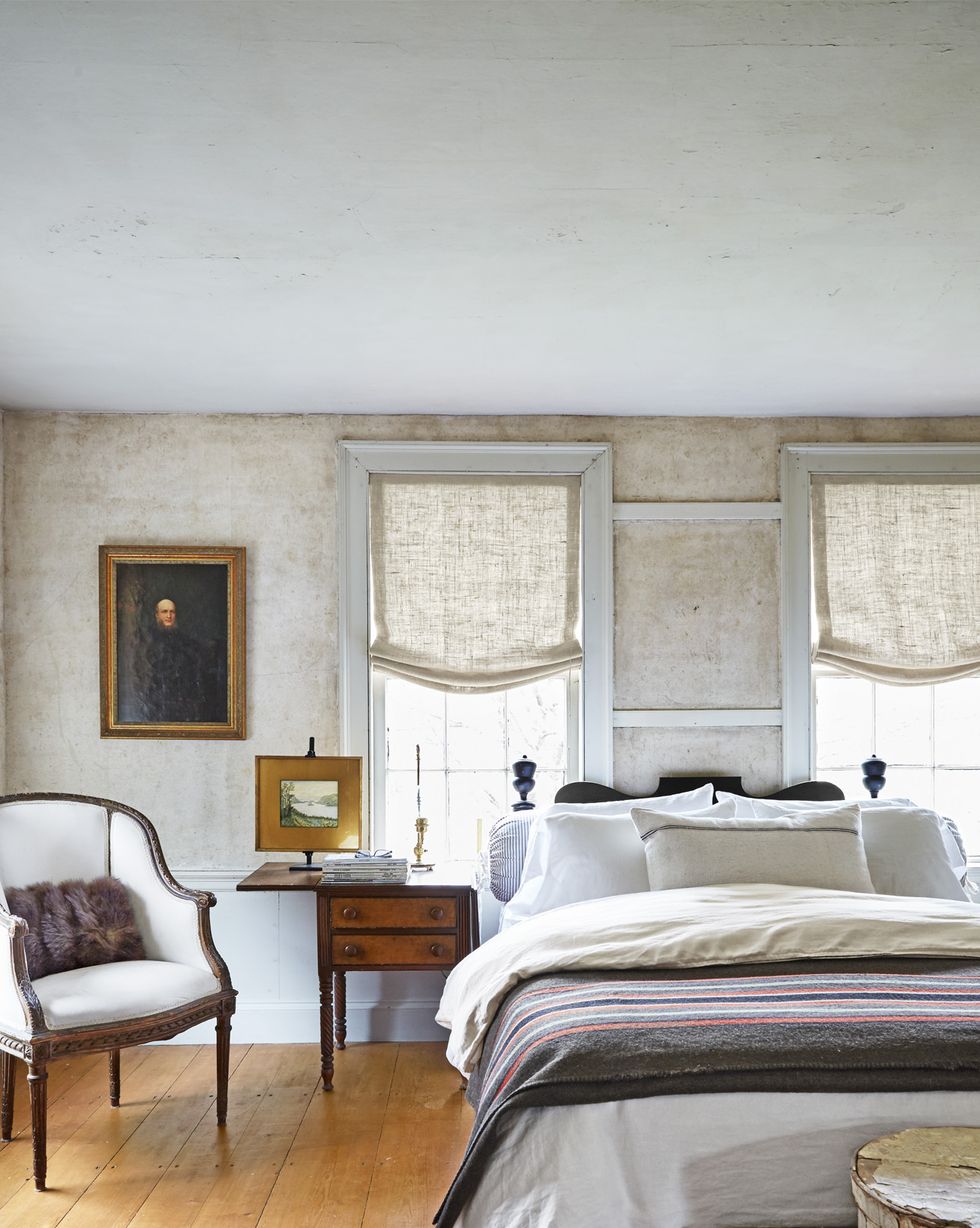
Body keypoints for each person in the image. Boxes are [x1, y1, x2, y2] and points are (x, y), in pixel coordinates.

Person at [131, 596, 226, 723]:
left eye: (172, 612)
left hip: (180, 701)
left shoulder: (183, 641)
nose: (169, 615)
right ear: (157, 615)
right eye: (164, 612)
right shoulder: (147, 641)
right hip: (155, 701)